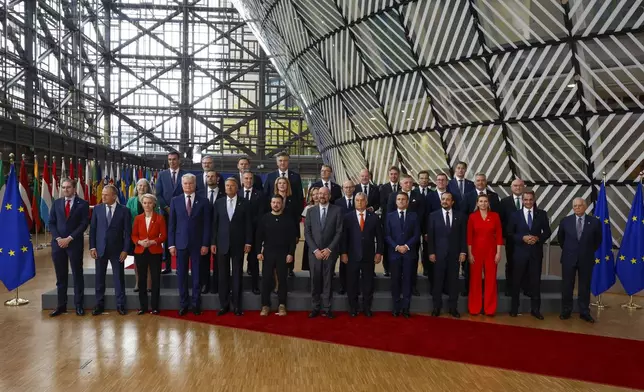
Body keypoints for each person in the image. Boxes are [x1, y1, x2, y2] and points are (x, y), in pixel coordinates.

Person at [168, 173, 211, 316]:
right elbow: (172, 225)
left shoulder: (204, 201)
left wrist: (205, 243)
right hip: (180, 244)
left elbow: (207, 225)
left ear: (195, 184)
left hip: (198, 245)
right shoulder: (175, 201)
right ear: (182, 185)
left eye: (190, 183)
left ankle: (196, 304)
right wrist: (171, 244)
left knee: (197, 276)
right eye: (185, 183)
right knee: (182, 276)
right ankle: (183, 304)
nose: (188, 186)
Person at [48, 178, 90, 317]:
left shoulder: (83, 204)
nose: (65, 190)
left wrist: (69, 238)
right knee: (61, 277)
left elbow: (84, 224)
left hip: (74, 244)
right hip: (58, 244)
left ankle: (79, 306)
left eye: (68, 187)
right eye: (63, 187)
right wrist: (59, 239)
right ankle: (61, 306)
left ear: (74, 189)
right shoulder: (56, 203)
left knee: (77, 275)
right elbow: (51, 223)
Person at [506, 191, 551, 320]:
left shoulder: (541, 214)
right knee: (516, 281)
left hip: (535, 253)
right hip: (519, 253)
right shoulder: (515, 215)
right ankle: (514, 309)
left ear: (534, 199)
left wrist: (538, 238)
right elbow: (509, 233)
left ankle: (535, 310)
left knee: (535, 282)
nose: (528, 202)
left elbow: (547, 231)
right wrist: (522, 238)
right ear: (523, 200)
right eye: (526, 200)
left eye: (530, 199)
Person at [211, 178, 253, 316]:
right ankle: (224, 305)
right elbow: (214, 225)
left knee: (237, 275)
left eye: (232, 186)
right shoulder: (218, 203)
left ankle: (237, 306)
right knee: (222, 276)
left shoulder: (245, 203)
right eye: (227, 186)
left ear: (237, 188)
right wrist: (213, 243)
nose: (229, 188)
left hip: (238, 244)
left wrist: (248, 242)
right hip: (221, 244)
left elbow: (248, 224)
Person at [557, 198, 602, 323]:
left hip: (586, 259)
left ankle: (584, 312)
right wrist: (570, 250)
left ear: (585, 206)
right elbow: (561, 239)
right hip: (568, 258)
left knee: (584, 286)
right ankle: (566, 310)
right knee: (567, 286)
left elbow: (597, 241)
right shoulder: (565, 221)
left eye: (579, 205)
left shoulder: (595, 222)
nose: (577, 208)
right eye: (575, 206)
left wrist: (586, 251)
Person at [89, 184, 131, 315]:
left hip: (117, 250)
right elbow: (93, 230)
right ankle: (99, 304)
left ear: (114, 196)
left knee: (119, 278)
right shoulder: (97, 209)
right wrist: (92, 247)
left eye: (106, 195)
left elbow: (128, 233)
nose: (103, 197)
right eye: (102, 195)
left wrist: (125, 250)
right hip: (100, 249)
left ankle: (120, 304)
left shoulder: (124, 210)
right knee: (99, 278)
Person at [341, 192, 383, 317]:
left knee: (368, 284)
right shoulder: (347, 217)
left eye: (362, 200)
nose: (359, 202)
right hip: (352, 256)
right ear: (354, 202)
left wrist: (379, 252)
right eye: (357, 200)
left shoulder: (374, 217)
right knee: (352, 283)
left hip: (368, 256)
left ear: (366, 202)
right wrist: (343, 253)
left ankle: (366, 307)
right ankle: (353, 308)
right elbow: (344, 238)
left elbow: (380, 237)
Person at [304, 187, 343, 319]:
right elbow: (307, 233)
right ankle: (315, 307)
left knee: (328, 281)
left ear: (329, 196)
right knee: (315, 280)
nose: (322, 196)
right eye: (320, 194)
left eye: (325, 194)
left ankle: (327, 308)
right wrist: (315, 250)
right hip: (314, 253)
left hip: (329, 253)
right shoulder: (310, 211)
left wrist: (329, 249)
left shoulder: (337, 210)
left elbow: (339, 232)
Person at [427, 192, 467, 318]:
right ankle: (436, 307)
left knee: (453, 282)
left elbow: (463, 236)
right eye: (443, 199)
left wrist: (463, 251)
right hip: (438, 255)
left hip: (454, 255)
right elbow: (431, 236)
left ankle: (453, 308)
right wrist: (431, 252)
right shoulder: (433, 216)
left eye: (448, 199)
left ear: (452, 202)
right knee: (437, 282)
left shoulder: (460, 216)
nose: (445, 201)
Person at [256, 195, 297, 316]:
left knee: (282, 279)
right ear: (270, 204)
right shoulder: (265, 218)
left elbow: (292, 240)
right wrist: (258, 252)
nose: (275, 205)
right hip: (268, 253)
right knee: (266, 279)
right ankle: (265, 305)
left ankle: (282, 305)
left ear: (282, 204)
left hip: (283, 254)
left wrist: (291, 253)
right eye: (273, 202)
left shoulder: (288, 219)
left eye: (278, 203)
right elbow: (259, 236)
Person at [461, 173, 500, 296]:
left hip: (489, 244)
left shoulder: (494, 196)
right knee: (471, 272)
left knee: (490, 276)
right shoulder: (467, 196)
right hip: (473, 240)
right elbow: (463, 216)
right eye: (478, 180)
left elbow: (498, 220)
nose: (480, 182)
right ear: (474, 182)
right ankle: (469, 292)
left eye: (483, 180)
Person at [387, 175, 425, 296]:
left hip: (412, 237)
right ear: (401, 184)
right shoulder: (393, 196)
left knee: (413, 264)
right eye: (406, 182)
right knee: (396, 268)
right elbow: (389, 214)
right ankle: (396, 290)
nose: (408, 185)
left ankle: (412, 286)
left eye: (410, 182)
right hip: (396, 238)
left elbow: (422, 214)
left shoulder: (418, 196)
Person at [467, 194, 503, 316]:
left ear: (488, 203)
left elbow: (499, 236)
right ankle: (474, 307)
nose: (483, 203)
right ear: (477, 203)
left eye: (485, 201)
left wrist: (498, 253)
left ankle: (490, 309)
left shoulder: (495, 216)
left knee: (491, 280)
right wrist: (470, 253)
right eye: (481, 201)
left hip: (491, 252)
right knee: (475, 280)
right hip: (476, 252)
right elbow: (469, 237)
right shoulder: (472, 217)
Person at [385, 192, 420, 318]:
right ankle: (396, 307)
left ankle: (406, 308)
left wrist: (406, 246)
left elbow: (416, 235)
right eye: (398, 199)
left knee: (407, 281)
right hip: (394, 254)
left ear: (407, 202)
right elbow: (387, 235)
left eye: (403, 199)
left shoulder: (414, 216)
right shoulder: (389, 216)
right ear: (396, 202)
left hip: (408, 253)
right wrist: (396, 247)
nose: (401, 201)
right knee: (395, 281)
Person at [131, 193, 167, 315]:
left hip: (155, 251)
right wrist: (139, 242)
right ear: (142, 204)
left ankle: (155, 307)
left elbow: (164, 236)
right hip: (140, 251)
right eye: (145, 203)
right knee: (141, 280)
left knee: (156, 279)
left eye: (149, 203)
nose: (147, 205)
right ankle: (143, 307)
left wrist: (153, 241)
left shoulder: (159, 218)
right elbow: (134, 235)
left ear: (154, 204)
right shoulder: (138, 218)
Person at [156, 151, 186, 274]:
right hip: (165, 212)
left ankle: (180, 267)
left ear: (179, 160)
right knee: (166, 238)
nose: (172, 162)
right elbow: (158, 194)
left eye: (174, 159)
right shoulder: (162, 175)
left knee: (180, 238)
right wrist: (166, 207)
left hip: (182, 212)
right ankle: (167, 266)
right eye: (169, 159)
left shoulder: (185, 175)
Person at [499, 178, 529, 297]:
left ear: (523, 187)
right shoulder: (504, 202)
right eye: (515, 186)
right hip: (511, 238)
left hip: (526, 238)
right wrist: (505, 236)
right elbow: (501, 220)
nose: (518, 188)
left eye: (520, 186)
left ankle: (525, 287)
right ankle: (510, 288)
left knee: (527, 263)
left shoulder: (528, 201)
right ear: (511, 187)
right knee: (511, 263)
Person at [126, 178, 156, 292]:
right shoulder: (131, 200)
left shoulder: (152, 200)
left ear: (148, 188)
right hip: (136, 235)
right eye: (139, 185)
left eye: (144, 186)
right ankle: (138, 283)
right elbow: (127, 217)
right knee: (137, 260)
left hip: (149, 233)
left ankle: (149, 284)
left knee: (148, 260)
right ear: (136, 187)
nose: (141, 188)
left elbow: (157, 216)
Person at [238, 170, 263, 295]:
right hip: (238, 234)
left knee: (253, 261)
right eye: (246, 178)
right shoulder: (236, 194)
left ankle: (255, 286)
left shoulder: (260, 195)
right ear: (242, 180)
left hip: (254, 233)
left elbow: (261, 215)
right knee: (238, 262)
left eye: (250, 178)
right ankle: (238, 286)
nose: (248, 180)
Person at [273, 176, 303, 278]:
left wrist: (297, 234)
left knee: (290, 251)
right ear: (276, 185)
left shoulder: (293, 200)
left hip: (290, 231)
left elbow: (296, 218)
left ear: (288, 185)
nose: (282, 185)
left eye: (284, 183)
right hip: (275, 230)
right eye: (280, 183)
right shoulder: (272, 198)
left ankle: (290, 269)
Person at [201, 170, 224, 294]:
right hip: (203, 232)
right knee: (203, 260)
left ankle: (216, 285)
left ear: (218, 179)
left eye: (213, 176)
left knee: (218, 261)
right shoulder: (199, 194)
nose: (210, 178)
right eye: (208, 176)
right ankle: (205, 284)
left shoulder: (224, 194)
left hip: (219, 232)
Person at [425, 173, 449, 287]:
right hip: (433, 233)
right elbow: (426, 215)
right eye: (438, 180)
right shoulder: (429, 196)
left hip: (448, 235)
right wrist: (426, 232)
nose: (441, 182)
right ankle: (433, 286)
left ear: (447, 182)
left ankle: (445, 285)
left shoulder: (452, 196)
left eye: (443, 180)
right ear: (435, 182)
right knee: (433, 261)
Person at [334, 180, 356, 295]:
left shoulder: (358, 201)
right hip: (342, 236)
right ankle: (343, 285)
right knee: (343, 262)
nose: (348, 189)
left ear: (353, 188)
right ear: (343, 189)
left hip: (356, 236)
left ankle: (353, 286)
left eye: (350, 187)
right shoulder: (338, 202)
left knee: (354, 262)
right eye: (346, 187)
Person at [379, 165, 400, 277]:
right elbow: (383, 204)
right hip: (387, 220)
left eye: (395, 174)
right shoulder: (383, 188)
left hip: (401, 221)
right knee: (387, 244)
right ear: (389, 175)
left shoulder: (402, 187)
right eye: (391, 174)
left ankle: (396, 267)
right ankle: (386, 268)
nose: (393, 176)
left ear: (398, 175)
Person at [301, 186, 320, 272]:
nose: (316, 196)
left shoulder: (328, 207)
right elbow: (305, 225)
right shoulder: (308, 208)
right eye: (313, 194)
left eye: (317, 194)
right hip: (311, 239)